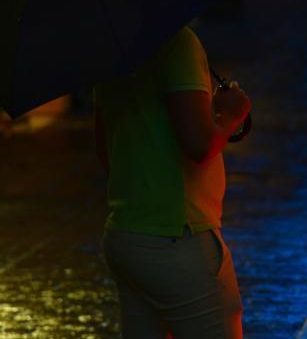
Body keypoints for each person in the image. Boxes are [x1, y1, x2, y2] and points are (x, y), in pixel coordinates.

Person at [94, 26, 251, 338]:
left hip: (126, 235)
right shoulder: (176, 42)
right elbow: (199, 144)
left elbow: (105, 148)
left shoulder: (111, 47)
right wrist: (230, 115)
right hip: (179, 238)